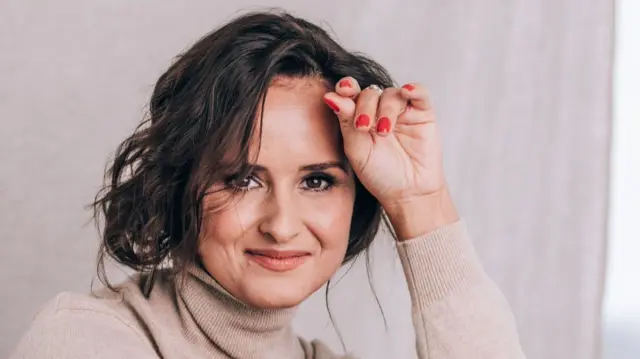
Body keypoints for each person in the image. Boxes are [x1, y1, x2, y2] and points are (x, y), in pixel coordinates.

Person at [10, 11, 525, 359]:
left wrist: (421, 201)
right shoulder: (87, 340)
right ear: (182, 184)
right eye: (242, 179)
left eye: (318, 181)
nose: (281, 225)